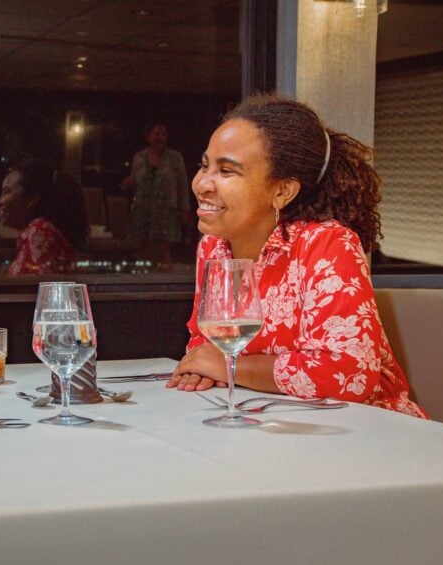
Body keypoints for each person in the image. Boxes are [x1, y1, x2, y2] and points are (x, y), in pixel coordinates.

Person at [167, 94, 427, 418]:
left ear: (282, 191)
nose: (201, 184)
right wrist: (207, 366)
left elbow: (346, 375)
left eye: (227, 170)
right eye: (204, 165)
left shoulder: (329, 243)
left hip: (365, 431)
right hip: (271, 423)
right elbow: (203, 345)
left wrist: (227, 367)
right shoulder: (214, 246)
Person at [0, 159, 88, 275]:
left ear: (32, 198)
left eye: (7, 192)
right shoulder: (35, 233)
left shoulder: (40, 232)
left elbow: (42, 287)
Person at [121, 123, 189, 268]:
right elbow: (134, 180)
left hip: (166, 209)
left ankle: (165, 279)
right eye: (157, 134)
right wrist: (129, 183)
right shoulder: (139, 157)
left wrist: (184, 208)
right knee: (144, 247)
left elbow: (182, 184)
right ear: (149, 137)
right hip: (143, 208)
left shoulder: (175, 157)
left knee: (164, 247)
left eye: (163, 134)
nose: (160, 137)